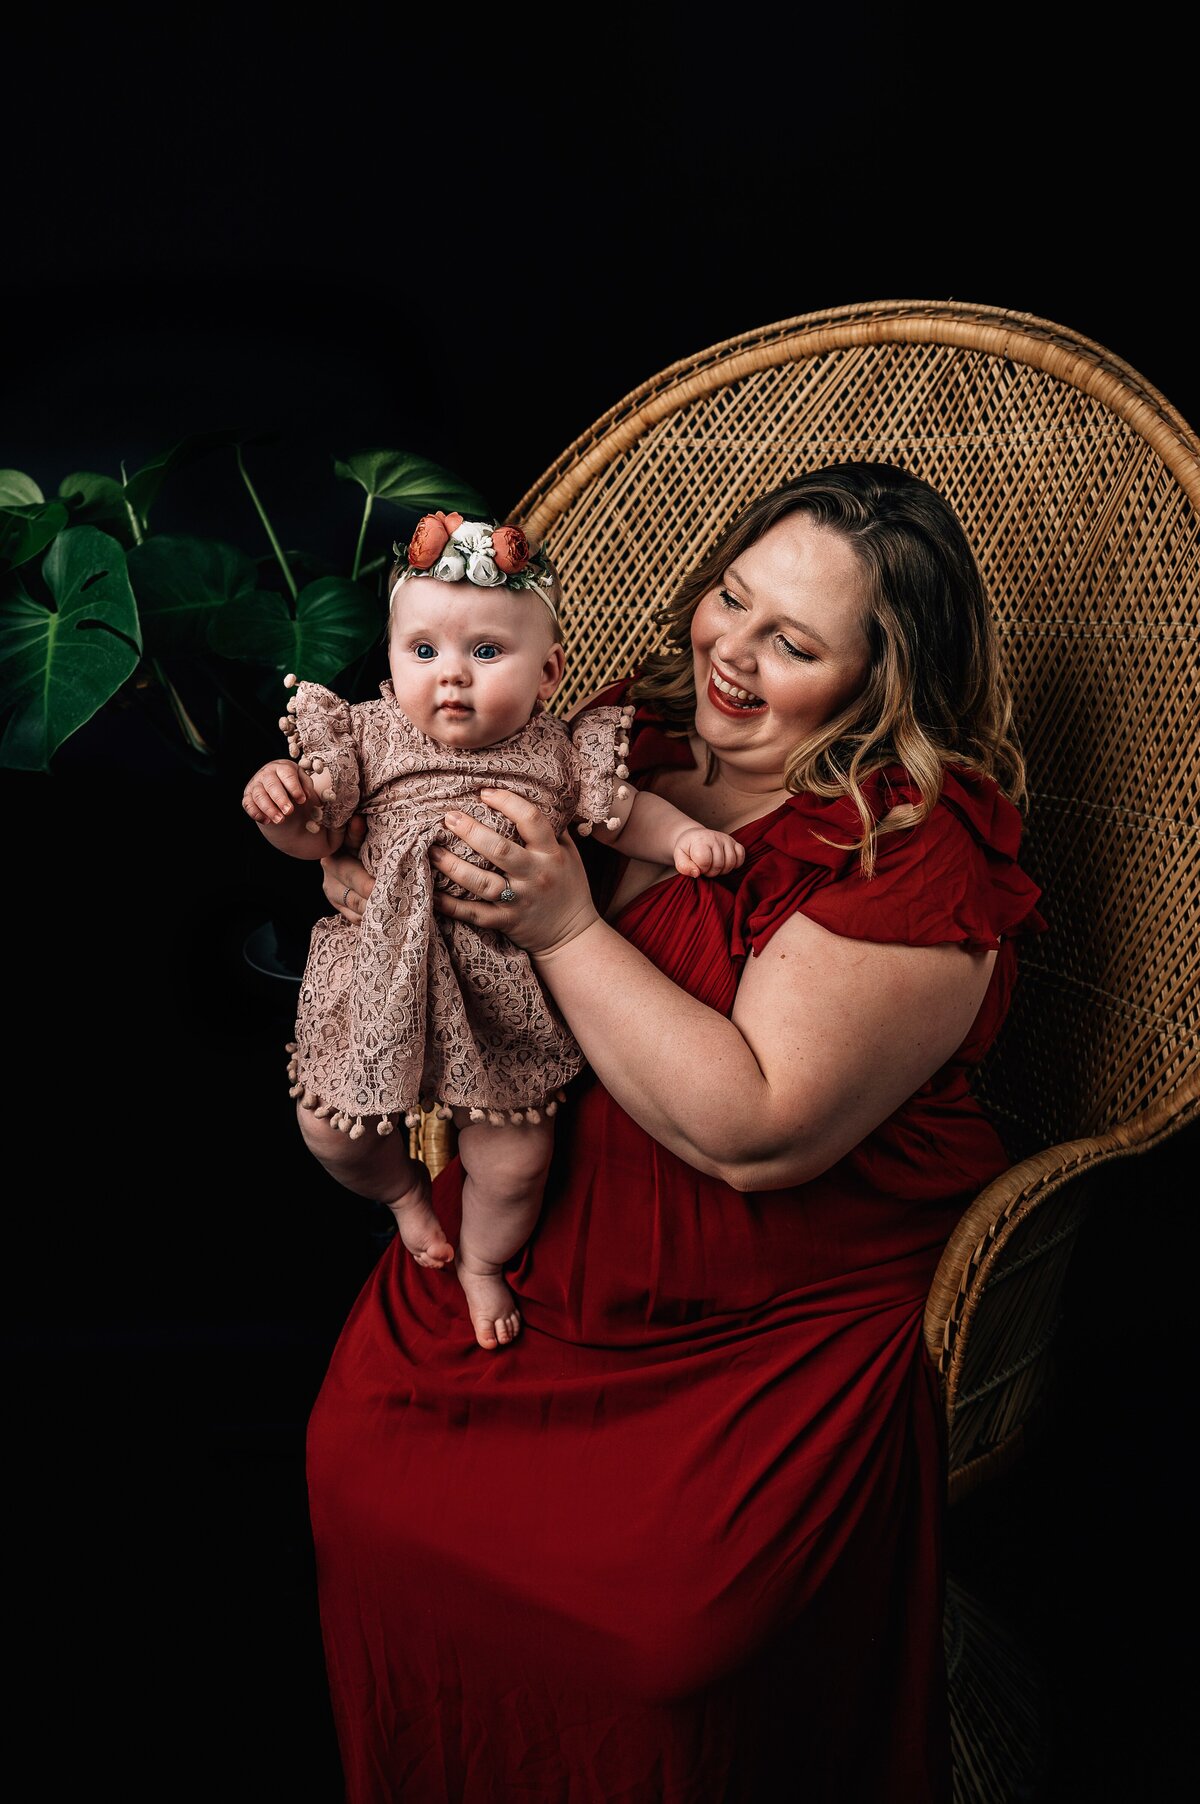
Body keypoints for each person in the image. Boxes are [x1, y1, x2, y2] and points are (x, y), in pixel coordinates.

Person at [304, 463, 1046, 1801]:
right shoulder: (622, 741)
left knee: (661, 1633)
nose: (735, 655)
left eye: (797, 644)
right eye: (731, 598)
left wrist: (565, 926)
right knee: (362, 1473)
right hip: (533, 1259)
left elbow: (754, 1133)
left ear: (885, 684)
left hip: (757, 1328)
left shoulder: (912, 854)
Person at [241, 512, 744, 1351]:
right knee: (327, 1128)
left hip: (499, 994)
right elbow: (320, 837)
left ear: (548, 672)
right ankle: (404, 1199)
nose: (451, 679)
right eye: (424, 652)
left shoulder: (558, 751)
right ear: (393, 655)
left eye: (485, 653)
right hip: (377, 978)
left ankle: (480, 1260)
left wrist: (681, 837)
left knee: (514, 1164)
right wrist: (281, 807)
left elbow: (621, 817)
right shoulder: (363, 738)